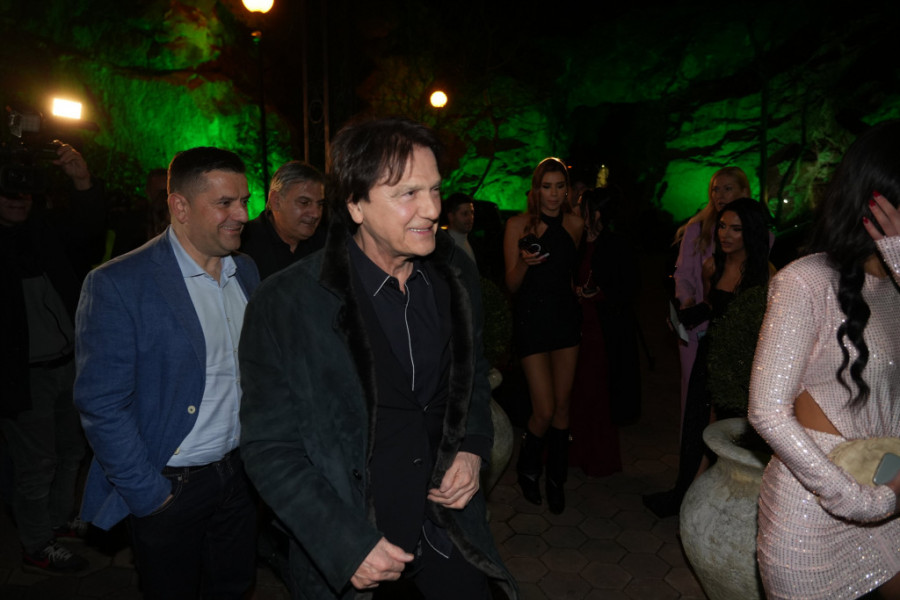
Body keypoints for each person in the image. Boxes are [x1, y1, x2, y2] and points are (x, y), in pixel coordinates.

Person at [238, 117, 516, 600]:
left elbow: (469, 378)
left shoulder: (454, 276)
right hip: (356, 547)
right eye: (408, 193)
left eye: (435, 189)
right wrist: (343, 544)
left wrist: (472, 447)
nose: (432, 209)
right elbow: (269, 447)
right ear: (355, 204)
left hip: (449, 532)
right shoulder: (287, 302)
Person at [74, 147, 260, 599]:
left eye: (244, 201)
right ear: (180, 206)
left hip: (240, 477)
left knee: (234, 588)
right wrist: (150, 494)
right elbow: (102, 404)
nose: (242, 214)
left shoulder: (246, 271)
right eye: (225, 203)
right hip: (172, 486)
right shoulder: (119, 283)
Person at [749, 120, 900, 599]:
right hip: (814, 513)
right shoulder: (805, 281)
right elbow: (766, 411)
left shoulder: (896, 287)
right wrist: (859, 501)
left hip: (889, 492)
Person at [0, 141, 104, 572]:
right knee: (36, 465)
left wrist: (81, 181)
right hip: (22, 378)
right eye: (7, 192)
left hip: (68, 365)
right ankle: (36, 544)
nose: (18, 199)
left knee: (71, 452)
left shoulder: (43, 233)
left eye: (24, 191)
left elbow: (88, 232)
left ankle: (59, 521)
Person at [646, 196, 773, 518]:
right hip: (710, 355)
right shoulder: (712, 266)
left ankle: (715, 504)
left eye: (735, 229)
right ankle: (687, 495)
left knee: (729, 434)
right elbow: (713, 308)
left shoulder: (766, 275)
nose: (725, 234)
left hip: (742, 366)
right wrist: (683, 317)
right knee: (697, 427)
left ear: (751, 232)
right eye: (722, 226)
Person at [503, 157, 584, 513]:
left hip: (565, 319)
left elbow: (569, 275)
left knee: (563, 407)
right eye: (546, 186)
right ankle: (527, 467)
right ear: (536, 190)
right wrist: (524, 262)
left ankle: (556, 481)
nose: (553, 193)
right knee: (544, 409)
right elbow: (511, 284)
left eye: (559, 186)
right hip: (532, 320)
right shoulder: (517, 225)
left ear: (567, 190)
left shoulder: (576, 224)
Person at [672, 167, 750, 422]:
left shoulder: (760, 236)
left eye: (727, 188)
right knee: (694, 400)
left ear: (744, 192)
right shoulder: (697, 229)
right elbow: (683, 273)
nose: (720, 195)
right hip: (698, 327)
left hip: (736, 332)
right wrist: (687, 302)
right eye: (716, 189)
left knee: (730, 405)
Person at [240, 160, 326, 280]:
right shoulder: (242, 244)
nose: (316, 214)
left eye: (320, 204)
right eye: (304, 203)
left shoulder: (326, 245)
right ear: (276, 201)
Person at [443, 191, 476, 265]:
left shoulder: (474, 242)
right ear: (451, 216)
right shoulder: (445, 247)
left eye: (472, 213)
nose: (470, 218)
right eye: (465, 214)